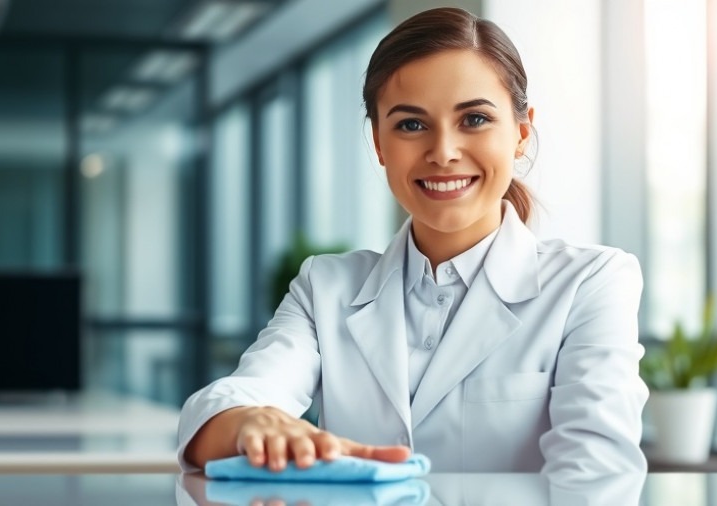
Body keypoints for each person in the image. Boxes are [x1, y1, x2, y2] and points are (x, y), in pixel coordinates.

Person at [177, 7, 647, 474]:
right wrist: (250, 422)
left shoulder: (591, 282)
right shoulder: (326, 286)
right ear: (380, 143)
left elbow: (597, 472)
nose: (443, 152)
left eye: (475, 119)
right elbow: (228, 406)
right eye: (411, 124)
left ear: (521, 134)